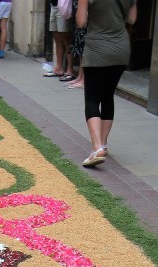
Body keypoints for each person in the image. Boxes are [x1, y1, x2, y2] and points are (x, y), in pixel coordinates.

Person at [76, 0, 136, 167]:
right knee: (108, 96)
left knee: (92, 98)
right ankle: (103, 143)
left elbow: (81, 22)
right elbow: (131, 19)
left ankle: (97, 147)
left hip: (97, 49)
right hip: (121, 49)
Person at [45, 0, 74, 80]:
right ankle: (59, 68)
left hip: (64, 5)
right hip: (54, 4)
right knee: (57, 37)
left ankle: (70, 70)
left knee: (66, 38)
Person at [66, 0, 86, 88]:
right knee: (80, 47)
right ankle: (80, 76)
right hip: (79, 13)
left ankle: (84, 78)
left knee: (84, 48)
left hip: (85, 18)